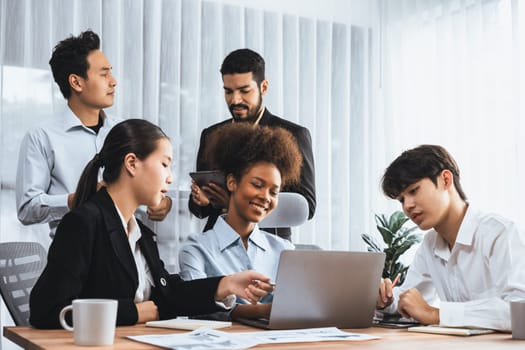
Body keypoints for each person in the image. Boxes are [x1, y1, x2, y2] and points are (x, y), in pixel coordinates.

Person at [29, 119, 272, 329]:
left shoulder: (140, 232)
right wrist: (134, 313)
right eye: (165, 164)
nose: (170, 177)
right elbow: (48, 310)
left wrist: (226, 284)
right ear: (132, 163)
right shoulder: (83, 223)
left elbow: (166, 296)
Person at [16, 30, 171, 237]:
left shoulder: (125, 130)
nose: (113, 81)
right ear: (77, 82)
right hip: (75, 253)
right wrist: (78, 198)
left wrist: (163, 204)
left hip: (129, 249)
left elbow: (148, 182)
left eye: (111, 73)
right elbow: (27, 208)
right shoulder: (41, 137)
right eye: (104, 74)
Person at [376, 145, 525, 331]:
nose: (407, 206)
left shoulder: (500, 233)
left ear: (446, 180)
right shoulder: (430, 244)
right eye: (401, 200)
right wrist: (386, 299)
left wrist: (436, 314)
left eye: (413, 191)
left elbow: (519, 311)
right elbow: (411, 301)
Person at [189, 48, 315, 241]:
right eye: (228, 91)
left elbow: (306, 206)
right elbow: (198, 209)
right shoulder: (211, 135)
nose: (235, 100)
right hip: (216, 245)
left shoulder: (294, 135)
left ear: (263, 87)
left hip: (270, 246)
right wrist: (202, 200)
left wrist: (233, 203)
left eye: (244, 91)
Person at [179, 123, 302, 320]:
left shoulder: (284, 250)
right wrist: (265, 311)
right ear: (232, 182)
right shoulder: (197, 249)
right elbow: (195, 306)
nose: (265, 197)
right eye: (257, 185)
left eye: (274, 192)